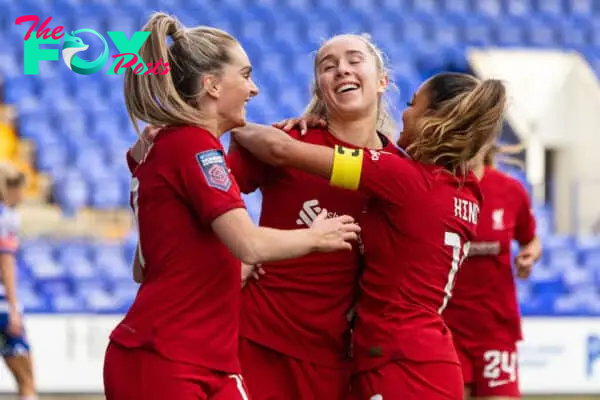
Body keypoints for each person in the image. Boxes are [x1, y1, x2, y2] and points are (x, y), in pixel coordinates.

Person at [103, 13, 360, 400]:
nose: (254, 89)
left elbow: (146, 266)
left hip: (204, 357)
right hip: (166, 357)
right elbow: (250, 244)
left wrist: (225, 269)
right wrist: (317, 236)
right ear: (212, 85)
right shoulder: (193, 145)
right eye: (245, 74)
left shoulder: (166, 146)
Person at [232, 72, 507, 400]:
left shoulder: (399, 177)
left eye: (412, 104)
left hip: (398, 359)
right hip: (429, 357)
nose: (404, 113)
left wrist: (225, 121)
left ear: (434, 119)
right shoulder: (469, 191)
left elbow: (279, 150)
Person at [227, 33, 396, 400]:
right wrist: (231, 254)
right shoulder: (287, 142)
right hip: (256, 339)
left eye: (354, 60)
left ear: (382, 80)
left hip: (336, 359)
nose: (341, 70)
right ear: (319, 86)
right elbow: (202, 196)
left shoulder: (402, 170)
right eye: (328, 66)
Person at [443, 144, 541, 400]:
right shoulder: (435, 186)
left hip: (496, 328)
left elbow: (530, 238)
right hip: (445, 328)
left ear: (485, 140)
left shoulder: (510, 190)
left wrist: (529, 255)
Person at [0, 163, 37, 400]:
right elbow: (6, 265)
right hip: (3, 305)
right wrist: (14, 309)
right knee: (27, 381)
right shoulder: (7, 217)